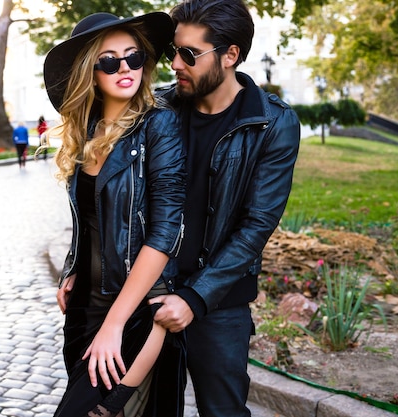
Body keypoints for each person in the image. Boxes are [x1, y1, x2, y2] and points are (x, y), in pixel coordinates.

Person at [148, 1, 301, 416]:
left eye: (189, 54)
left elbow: (256, 225)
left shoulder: (272, 123)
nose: (176, 64)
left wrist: (195, 298)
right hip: (150, 292)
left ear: (230, 55)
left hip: (220, 304)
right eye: (173, 52)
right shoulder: (156, 110)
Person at [43, 11, 187, 417]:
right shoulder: (85, 132)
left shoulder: (159, 125)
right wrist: (72, 266)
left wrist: (115, 324)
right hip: (83, 309)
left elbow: (164, 233)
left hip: (134, 308)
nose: (124, 68)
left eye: (133, 57)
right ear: (91, 71)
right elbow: (89, 217)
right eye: (108, 61)